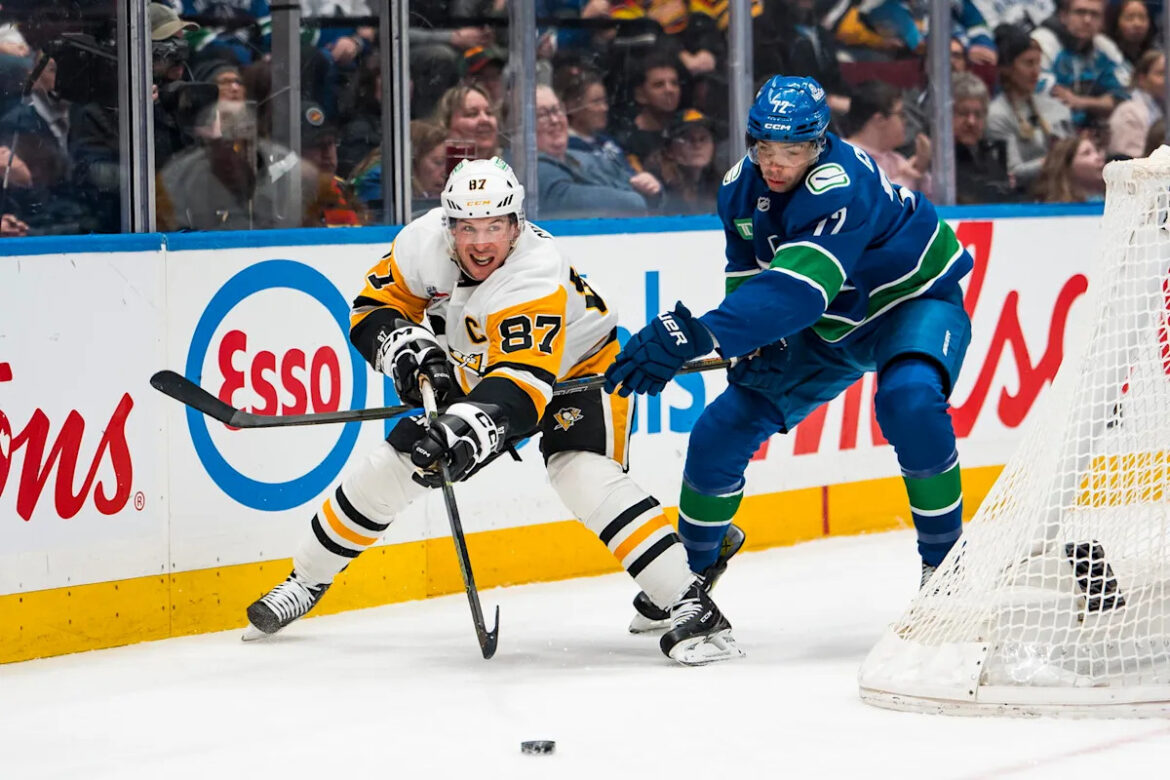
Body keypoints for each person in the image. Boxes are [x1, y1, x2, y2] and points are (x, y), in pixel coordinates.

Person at [244, 156, 741, 666]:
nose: (480, 243)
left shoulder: (535, 272)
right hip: (481, 364)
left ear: (516, 225)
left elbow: (521, 392)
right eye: (467, 228)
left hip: (577, 368)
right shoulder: (421, 244)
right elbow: (373, 309)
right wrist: (408, 349)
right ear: (448, 225)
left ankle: (689, 602)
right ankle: (306, 581)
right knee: (399, 464)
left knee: (580, 472)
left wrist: (461, 432)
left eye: (494, 227)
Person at [603, 76, 974, 604]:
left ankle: (945, 567)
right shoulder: (738, 186)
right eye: (765, 147)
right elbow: (746, 269)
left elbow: (801, 291)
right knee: (720, 430)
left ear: (819, 143)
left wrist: (703, 332)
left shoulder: (842, 181)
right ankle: (691, 574)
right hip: (826, 327)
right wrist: (744, 342)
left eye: (793, 150)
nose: (775, 164)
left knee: (909, 400)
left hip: (909, 300)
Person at [534, 84, 649, 218]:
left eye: (557, 110)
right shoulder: (532, 170)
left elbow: (640, 185)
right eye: (542, 115)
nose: (555, 120)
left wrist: (651, 190)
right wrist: (637, 195)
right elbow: (631, 204)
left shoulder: (586, 158)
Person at [986, 23, 1073, 189]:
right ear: (1007, 68)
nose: (1036, 71)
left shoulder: (1054, 106)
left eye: (1038, 63)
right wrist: (1058, 160)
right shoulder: (997, 115)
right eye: (1028, 63)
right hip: (1022, 196)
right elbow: (1012, 173)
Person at [845, 80, 931, 195]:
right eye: (901, 115)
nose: (906, 121)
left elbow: (935, 197)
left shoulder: (895, 159)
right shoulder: (843, 158)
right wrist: (908, 177)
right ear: (880, 120)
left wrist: (920, 167)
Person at [951, 71, 1017, 203]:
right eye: (963, 113)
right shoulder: (936, 161)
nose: (971, 122)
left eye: (978, 114)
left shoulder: (991, 156)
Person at [1108, 50, 1165, 159]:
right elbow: (1126, 160)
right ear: (1142, 79)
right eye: (1161, 73)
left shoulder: (1164, 108)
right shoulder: (1128, 112)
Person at [1032, 132, 1106, 201]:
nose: (1099, 157)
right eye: (1086, 153)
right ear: (1067, 166)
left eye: (1097, 151)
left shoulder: (1109, 198)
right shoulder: (1053, 208)